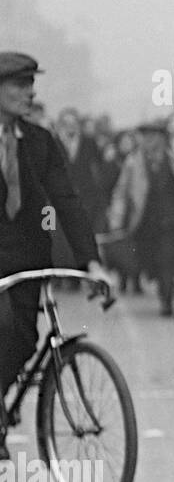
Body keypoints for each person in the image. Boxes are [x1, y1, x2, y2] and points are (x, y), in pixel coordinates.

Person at [0, 53, 113, 461]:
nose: (30, 92)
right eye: (18, 84)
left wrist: (91, 262)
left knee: (24, 337)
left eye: (32, 83)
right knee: (4, 325)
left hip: (28, 259)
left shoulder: (40, 142)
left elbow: (67, 201)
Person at [108, 121, 174, 316]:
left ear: (163, 139)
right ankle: (162, 285)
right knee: (151, 259)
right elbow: (121, 193)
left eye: (154, 137)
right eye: (146, 137)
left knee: (168, 258)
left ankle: (167, 298)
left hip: (172, 223)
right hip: (145, 224)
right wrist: (116, 220)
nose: (149, 141)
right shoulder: (133, 163)